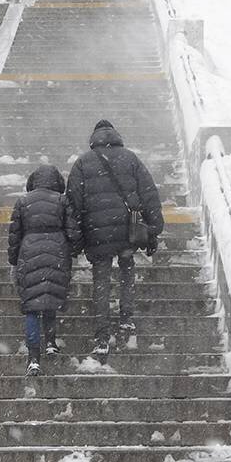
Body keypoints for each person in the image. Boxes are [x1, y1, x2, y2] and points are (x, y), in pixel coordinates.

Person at [66, 119, 164, 361]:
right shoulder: (130, 159)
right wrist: (153, 229)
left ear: (94, 137)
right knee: (127, 269)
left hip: (96, 233)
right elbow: (150, 194)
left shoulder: (82, 163)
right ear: (115, 135)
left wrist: (76, 240)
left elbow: (72, 206)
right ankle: (126, 318)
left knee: (101, 279)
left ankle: (101, 335)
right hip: (126, 231)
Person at [7, 164, 81, 376]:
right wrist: (74, 250)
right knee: (50, 296)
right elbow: (73, 232)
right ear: (57, 182)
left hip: (29, 252)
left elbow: (14, 236)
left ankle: (33, 357)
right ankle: (50, 342)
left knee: (31, 305)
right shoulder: (62, 200)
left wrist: (14, 260)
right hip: (57, 251)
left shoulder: (22, 202)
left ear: (33, 181)